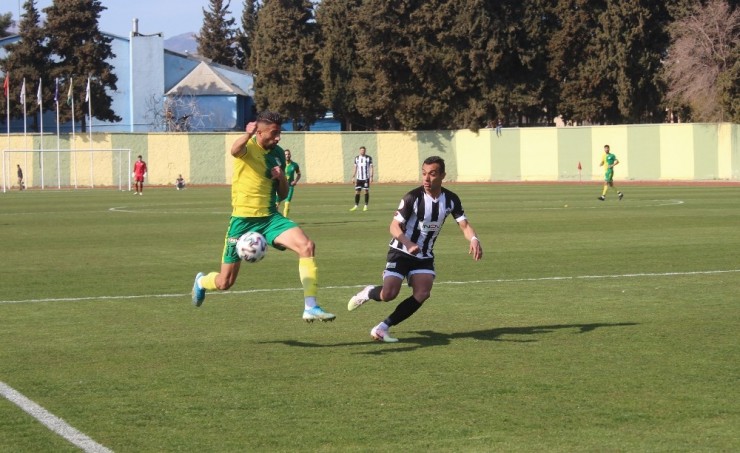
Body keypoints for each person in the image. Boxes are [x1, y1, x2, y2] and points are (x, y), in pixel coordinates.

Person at [191, 111, 335, 322]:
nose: (278, 138)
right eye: (274, 133)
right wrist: (246, 134)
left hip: (269, 218)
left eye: (279, 133)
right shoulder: (247, 147)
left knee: (307, 246)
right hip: (242, 220)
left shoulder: (277, 154)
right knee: (225, 282)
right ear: (259, 131)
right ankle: (202, 282)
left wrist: (281, 179)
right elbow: (234, 150)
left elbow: (284, 194)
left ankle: (310, 306)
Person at [347, 156, 483, 342]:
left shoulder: (451, 199)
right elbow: (394, 226)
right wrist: (408, 243)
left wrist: (474, 239)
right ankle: (368, 292)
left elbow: (465, 225)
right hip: (401, 251)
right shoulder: (412, 197)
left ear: (442, 175)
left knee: (423, 293)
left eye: (432, 174)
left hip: (424, 255)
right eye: (424, 173)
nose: (426, 179)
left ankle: (382, 327)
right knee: (389, 294)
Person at [277, 149, 301, 217]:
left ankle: (285, 219)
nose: (287, 156)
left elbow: (299, 174)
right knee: (276, 204)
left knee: (287, 203)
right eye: (286, 154)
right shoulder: (280, 164)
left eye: (288, 154)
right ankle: (276, 220)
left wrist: (295, 181)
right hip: (280, 187)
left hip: (290, 187)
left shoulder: (295, 165)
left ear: (290, 155)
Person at [349, 146, 373, 211]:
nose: (363, 151)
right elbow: (355, 168)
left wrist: (371, 177)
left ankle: (365, 206)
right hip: (359, 178)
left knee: (366, 191)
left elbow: (371, 167)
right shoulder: (357, 158)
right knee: (357, 191)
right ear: (359, 151)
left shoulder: (368, 158)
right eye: (361, 150)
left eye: (364, 150)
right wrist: (353, 177)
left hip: (366, 178)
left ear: (365, 151)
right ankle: (356, 206)